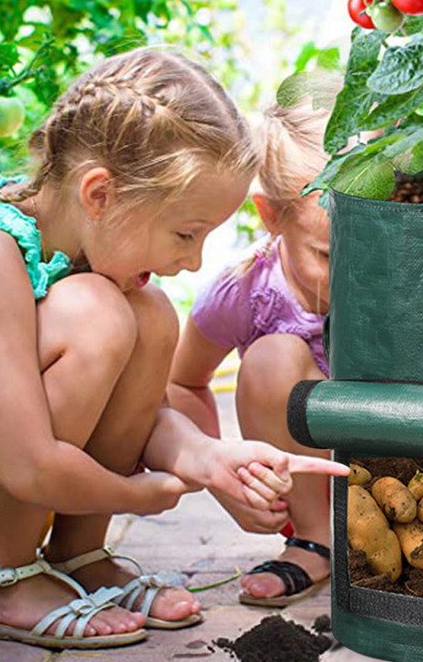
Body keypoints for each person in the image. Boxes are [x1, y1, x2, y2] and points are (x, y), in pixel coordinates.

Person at [0, 49, 348, 650]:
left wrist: (207, 458)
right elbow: (27, 461)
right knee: (101, 314)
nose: (191, 263)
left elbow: (135, 418)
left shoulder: (69, 247)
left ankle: (78, 555)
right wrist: (135, 494)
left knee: (151, 315)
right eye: (185, 234)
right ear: (100, 194)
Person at [167, 98, 333, 607]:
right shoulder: (245, 290)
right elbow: (182, 383)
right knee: (270, 358)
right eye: (327, 255)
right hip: (316, 481)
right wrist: (221, 477)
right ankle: (317, 540)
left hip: (392, 462)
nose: (355, 270)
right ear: (271, 216)